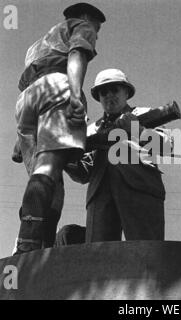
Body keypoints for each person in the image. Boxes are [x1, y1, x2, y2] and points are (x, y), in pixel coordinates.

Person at [13, 3, 106, 254]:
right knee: (49, 170)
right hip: (58, 88)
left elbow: (30, 87)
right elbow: (77, 54)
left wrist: (19, 140)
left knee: (49, 181)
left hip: (27, 102)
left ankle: (40, 245)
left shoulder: (37, 45)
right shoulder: (81, 25)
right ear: (87, 18)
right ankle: (29, 243)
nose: (96, 33)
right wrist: (75, 94)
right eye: (98, 29)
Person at [66, 68, 173, 242]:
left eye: (115, 89)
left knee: (145, 252)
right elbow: (83, 174)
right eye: (103, 92)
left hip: (140, 188)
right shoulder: (91, 131)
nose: (109, 95)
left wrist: (138, 130)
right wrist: (67, 157)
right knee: (99, 258)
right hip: (99, 196)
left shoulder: (145, 115)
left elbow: (167, 145)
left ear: (126, 92)